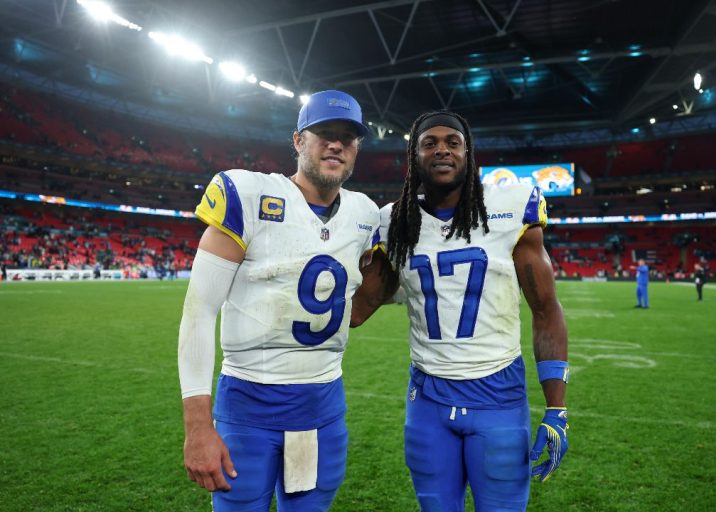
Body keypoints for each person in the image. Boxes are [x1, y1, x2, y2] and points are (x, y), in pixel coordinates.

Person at [352, 111, 569, 511]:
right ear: (414, 156)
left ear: (469, 154)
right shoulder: (394, 220)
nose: (441, 150)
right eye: (429, 143)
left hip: (498, 393)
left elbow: (546, 309)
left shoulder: (509, 206)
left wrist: (557, 408)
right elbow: (358, 309)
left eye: (452, 142)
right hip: (428, 397)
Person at [177, 90, 381, 512]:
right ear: (298, 141)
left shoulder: (364, 215)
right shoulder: (249, 195)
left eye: (348, 136)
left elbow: (358, 302)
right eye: (323, 132)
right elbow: (199, 312)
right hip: (249, 405)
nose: (336, 144)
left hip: (321, 408)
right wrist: (198, 425)